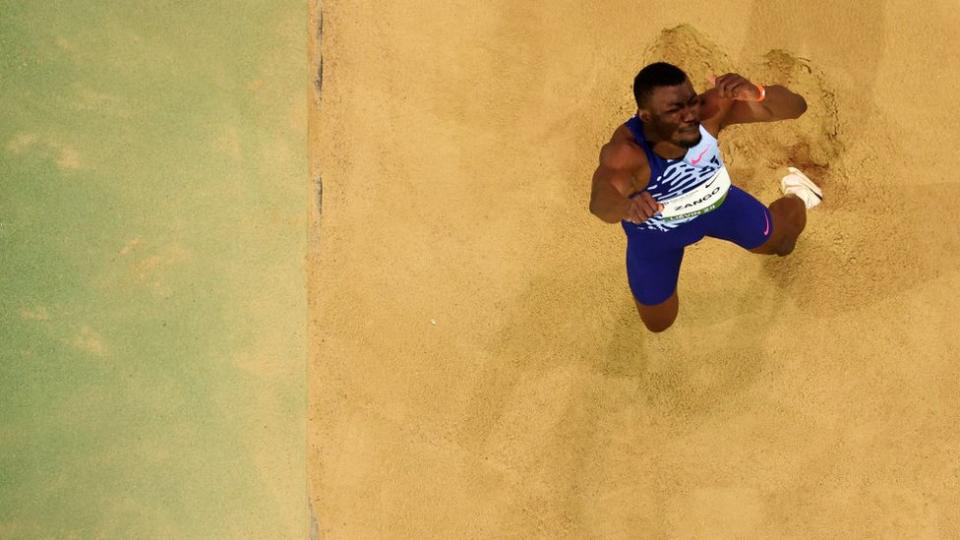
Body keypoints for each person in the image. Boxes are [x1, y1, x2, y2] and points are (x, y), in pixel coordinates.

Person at [589, 62, 823, 332]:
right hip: (657, 238)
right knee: (658, 323)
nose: (689, 116)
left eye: (690, 102)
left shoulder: (709, 111)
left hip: (720, 208)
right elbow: (601, 201)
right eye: (674, 111)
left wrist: (758, 94)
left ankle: (798, 193)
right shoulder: (628, 153)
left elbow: (797, 107)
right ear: (646, 117)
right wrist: (625, 206)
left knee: (782, 244)